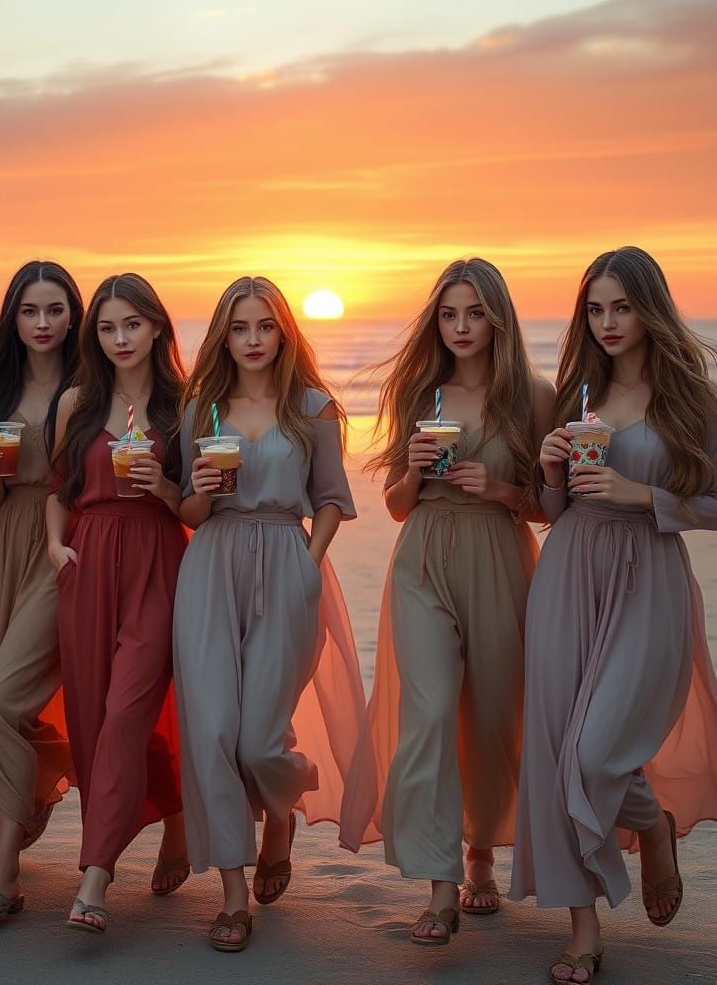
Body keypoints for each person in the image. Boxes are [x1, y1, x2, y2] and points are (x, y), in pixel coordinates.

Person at [508, 247, 717, 984]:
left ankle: (652, 825)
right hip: (569, 574)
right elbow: (552, 509)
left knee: (597, 752)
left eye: (621, 307)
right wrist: (549, 468)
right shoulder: (579, 393)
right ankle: (583, 928)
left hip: (648, 579)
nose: (607, 323)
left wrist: (644, 496)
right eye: (595, 309)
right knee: (556, 749)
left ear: (650, 308)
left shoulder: (694, 399)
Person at [338, 257, 553, 946]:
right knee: (428, 713)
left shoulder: (533, 397)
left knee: (491, 716)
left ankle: (481, 852)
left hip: (499, 554)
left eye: (475, 313)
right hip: (423, 558)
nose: (461, 326)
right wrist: (412, 471)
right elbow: (398, 505)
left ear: (498, 319)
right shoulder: (421, 392)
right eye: (449, 314)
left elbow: (551, 505)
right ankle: (440, 882)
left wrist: (500, 488)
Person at [173, 275, 362, 952]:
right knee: (212, 733)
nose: (252, 339)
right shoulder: (200, 409)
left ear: (284, 332)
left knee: (258, 740)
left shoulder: (312, 407)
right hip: (210, 567)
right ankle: (232, 895)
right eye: (239, 327)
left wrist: (308, 563)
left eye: (265, 326)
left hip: (286, 562)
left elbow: (332, 497)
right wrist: (198, 489)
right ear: (223, 337)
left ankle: (281, 811)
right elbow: (189, 512)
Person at [47, 272, 189, 934]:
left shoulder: (183, 406)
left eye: (132, 324)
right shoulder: (78, 401)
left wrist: (164, 486)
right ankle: (175, 813)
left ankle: (95, 875)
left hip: (157, 560)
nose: (120, 338)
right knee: (93, 720)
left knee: (128, 712)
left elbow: (199, 503)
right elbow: (59, 488)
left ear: (156, 327)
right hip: (88, 560)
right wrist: (55, 547)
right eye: (106, 328)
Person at [0, 261, 83, 918]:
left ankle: (5, 869)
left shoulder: (89, 384)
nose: (42, 323)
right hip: (6, 539)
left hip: (63, 544)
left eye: (54, 310)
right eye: (30, 311)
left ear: (73, 316)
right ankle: (39, 783)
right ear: (13, 317)